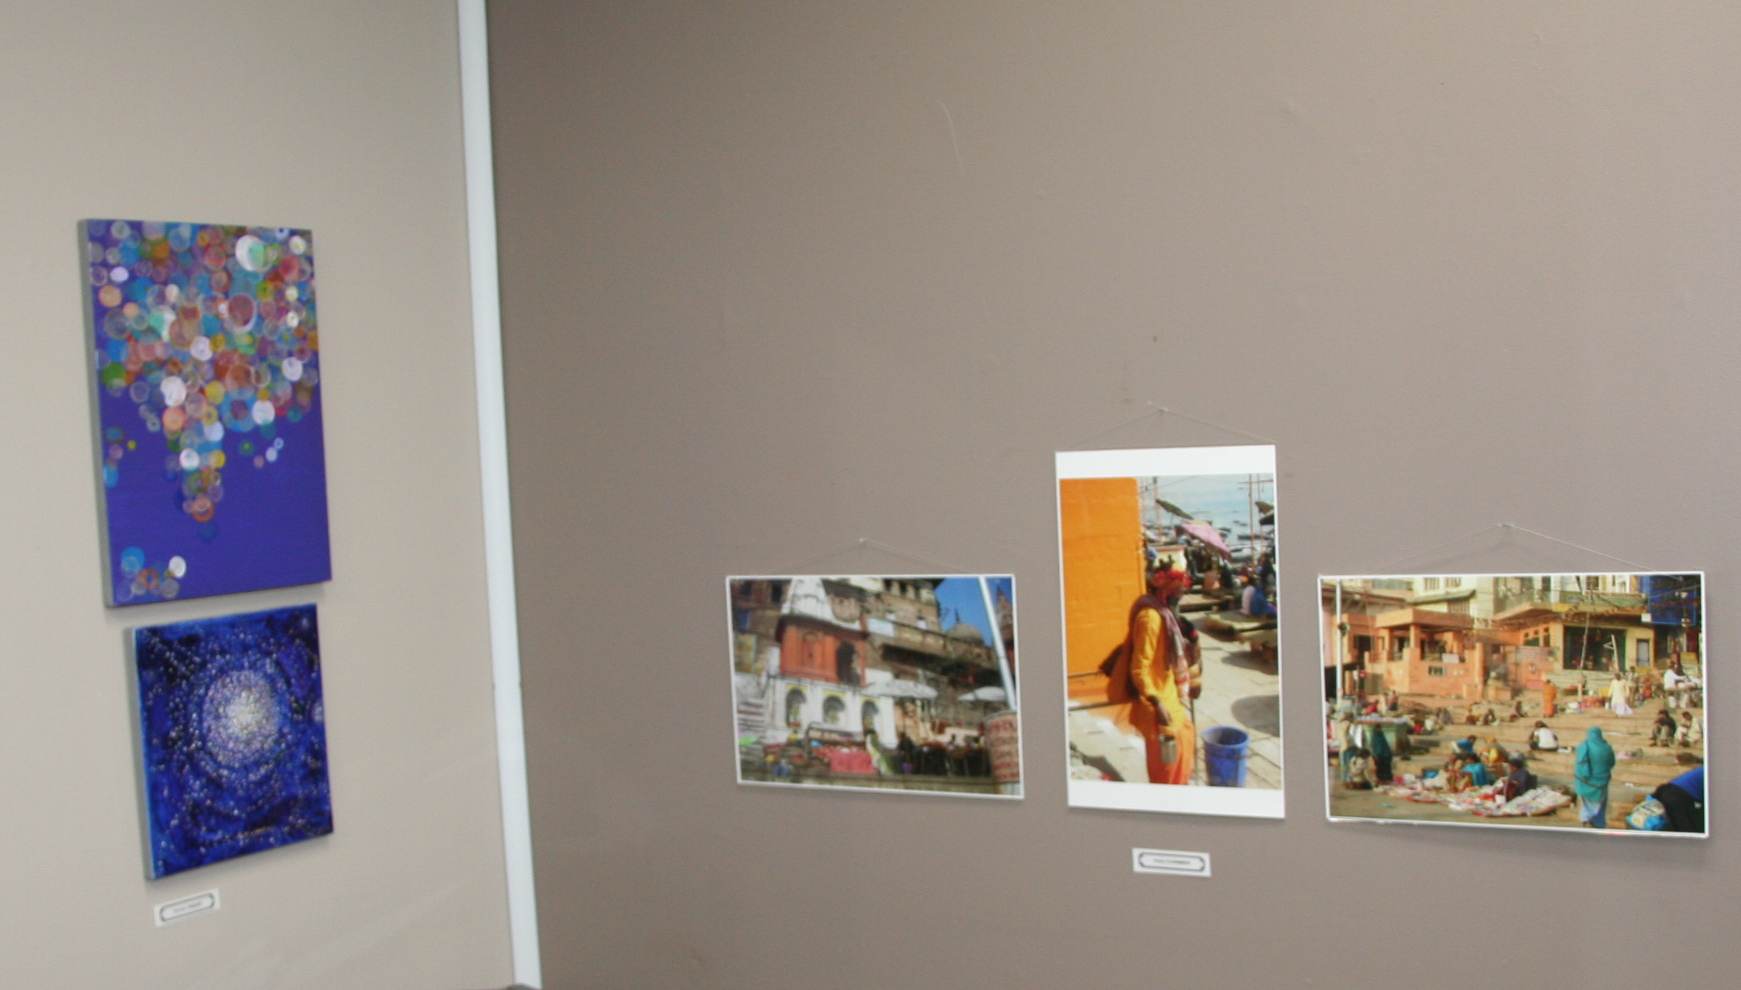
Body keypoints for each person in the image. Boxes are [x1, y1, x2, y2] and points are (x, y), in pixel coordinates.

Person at [1108, 563, 1198, 785]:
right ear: (1165, 589)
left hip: (1168, 694)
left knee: (1185, 742)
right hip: (1157, 702)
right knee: (1166, 765)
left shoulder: (1164, 614)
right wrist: (1157, 704)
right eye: (1178, 589)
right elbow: (1139, 668)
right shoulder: (1150, 618)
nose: (1182, 593)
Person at [1574, 726, 1616, 828]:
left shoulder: (1585, 746)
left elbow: (1581, 762)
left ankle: (1587, 819)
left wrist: (1583, 776)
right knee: (1601, 803)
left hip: (1586, 781)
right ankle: (1597, 822)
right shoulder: (1607, 747)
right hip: (1602, 781)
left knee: (1586, 802)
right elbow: (1612, 762)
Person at [1651, 766, 1705, 834]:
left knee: (1677, 825)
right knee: (1686, 829)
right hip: (1678, 797)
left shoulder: (1702, 770)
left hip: (1669, 792)